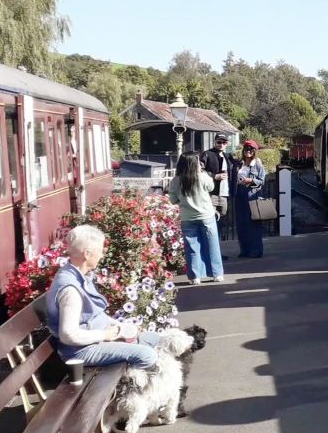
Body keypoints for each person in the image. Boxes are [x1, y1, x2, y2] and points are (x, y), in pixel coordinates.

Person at [46, 225, 161, 368]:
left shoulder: (78, 275)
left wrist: (121, 326)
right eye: (100, 251)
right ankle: (129, 388)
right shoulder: (71, 290)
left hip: (96, 340)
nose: (102, 255)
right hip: (82, 350)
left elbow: (94, 315)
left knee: (155, 339)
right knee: (147, 355)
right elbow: (68, 335)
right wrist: (104, 335)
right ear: (87, 254)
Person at [168, 151, 225, 284]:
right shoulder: (202, 177)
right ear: (194, 163)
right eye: (198, 161)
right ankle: (216, 274)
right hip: (206, 216)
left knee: (192, 248)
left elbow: (172, 199)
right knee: (212, 245)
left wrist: (183, 201)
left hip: (187, 218)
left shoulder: (176, 181)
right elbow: (211, 187)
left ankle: (195, 277)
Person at [233, 140, 267, 258]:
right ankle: (245, 250)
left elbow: (262, 180)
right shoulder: (239, 164)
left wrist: (251, 181)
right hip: (239, 195)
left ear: (254, 152)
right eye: (246, 149)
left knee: (253, 224)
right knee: (241, 224)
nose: (248, 151)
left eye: (251, 150)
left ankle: (256, 250)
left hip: (252, 194)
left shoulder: (257, 164)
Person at [200, 134, 232, 228]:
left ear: (227, 144)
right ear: (214, 142)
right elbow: (199, 171)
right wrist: (214, 176)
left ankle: (218, 240)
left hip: (224, 193)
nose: (221, 144)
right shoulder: (207, 154)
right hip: (212, 193)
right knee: (211, 219)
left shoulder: (228, 156)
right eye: (219, 142)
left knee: (222, 217)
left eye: (224, 142)